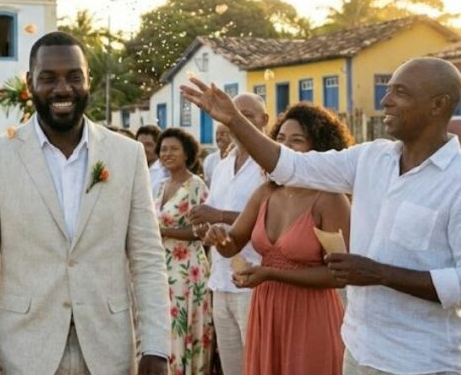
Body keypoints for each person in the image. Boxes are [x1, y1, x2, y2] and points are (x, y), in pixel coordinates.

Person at [183, 57, 461, 374]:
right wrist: (234, 120)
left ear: (438, 104)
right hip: (358, 350)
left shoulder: (456, 181)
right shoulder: (372, 157)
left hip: (422, 362)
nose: (385, 100)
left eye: (400, 91)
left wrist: (380, 273)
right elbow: (290, 166)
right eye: (388, 90)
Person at [0, 32, 169, 375]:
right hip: (23, 351)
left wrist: (156, 347)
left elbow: (147, 257)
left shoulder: (127, 156)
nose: (62, 88)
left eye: (74, 76)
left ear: (88, 80)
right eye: (48, 78)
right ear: (29, 83)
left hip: (107, 350)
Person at [204, 102, 352, 374]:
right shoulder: (265, 194)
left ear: (319, 148)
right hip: (266, 309)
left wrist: (272, 273)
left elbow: (337, 276)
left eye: (297, 141)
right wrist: (219, 237)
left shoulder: (330, 199)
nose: (286, 147)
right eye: (280, 139)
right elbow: (233, 244)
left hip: (310, 314)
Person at [187, 93, 269, 375]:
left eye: (248, 115)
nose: (239, 121)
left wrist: (219, 216)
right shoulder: (221, 165)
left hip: (254, 282)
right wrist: (205, 227)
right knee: (231, 367)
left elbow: (271, 218)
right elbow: (215, 215)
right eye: (235, 113)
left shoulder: (269, 166)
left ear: (264, 121)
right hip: (221, 280)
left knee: (258, 365)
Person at [155, 128, 213, 374]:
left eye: (174, 149)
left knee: (183, 329)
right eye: (164, 149)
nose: (167, 153)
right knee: (165, 330)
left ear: (187, 153)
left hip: (188, 269)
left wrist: (164, 233)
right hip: (162, 268)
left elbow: (204, 231)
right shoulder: (159, 186)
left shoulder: (196, 185)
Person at [137, 124, 169, 197]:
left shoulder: (165, 172)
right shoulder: (133, 169)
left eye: (148, 145)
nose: (143, 149)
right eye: (139, 144)